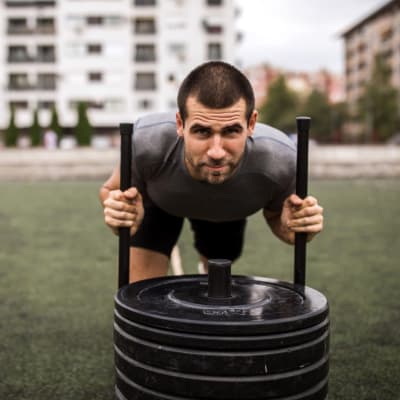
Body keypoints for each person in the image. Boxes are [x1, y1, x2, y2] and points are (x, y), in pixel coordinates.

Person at [99, 61, 324, 282]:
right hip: (157, 204)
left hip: (229, 207)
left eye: (231, 131)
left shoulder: (279, 158)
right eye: (202, 131)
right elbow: (112, 190)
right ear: (180, 123)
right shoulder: (147, 141)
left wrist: (295, 226)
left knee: (214, 285)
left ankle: (206, 263)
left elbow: (280, 218)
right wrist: (121, 211)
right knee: (139, 296)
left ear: (252, 123)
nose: (216, 152)